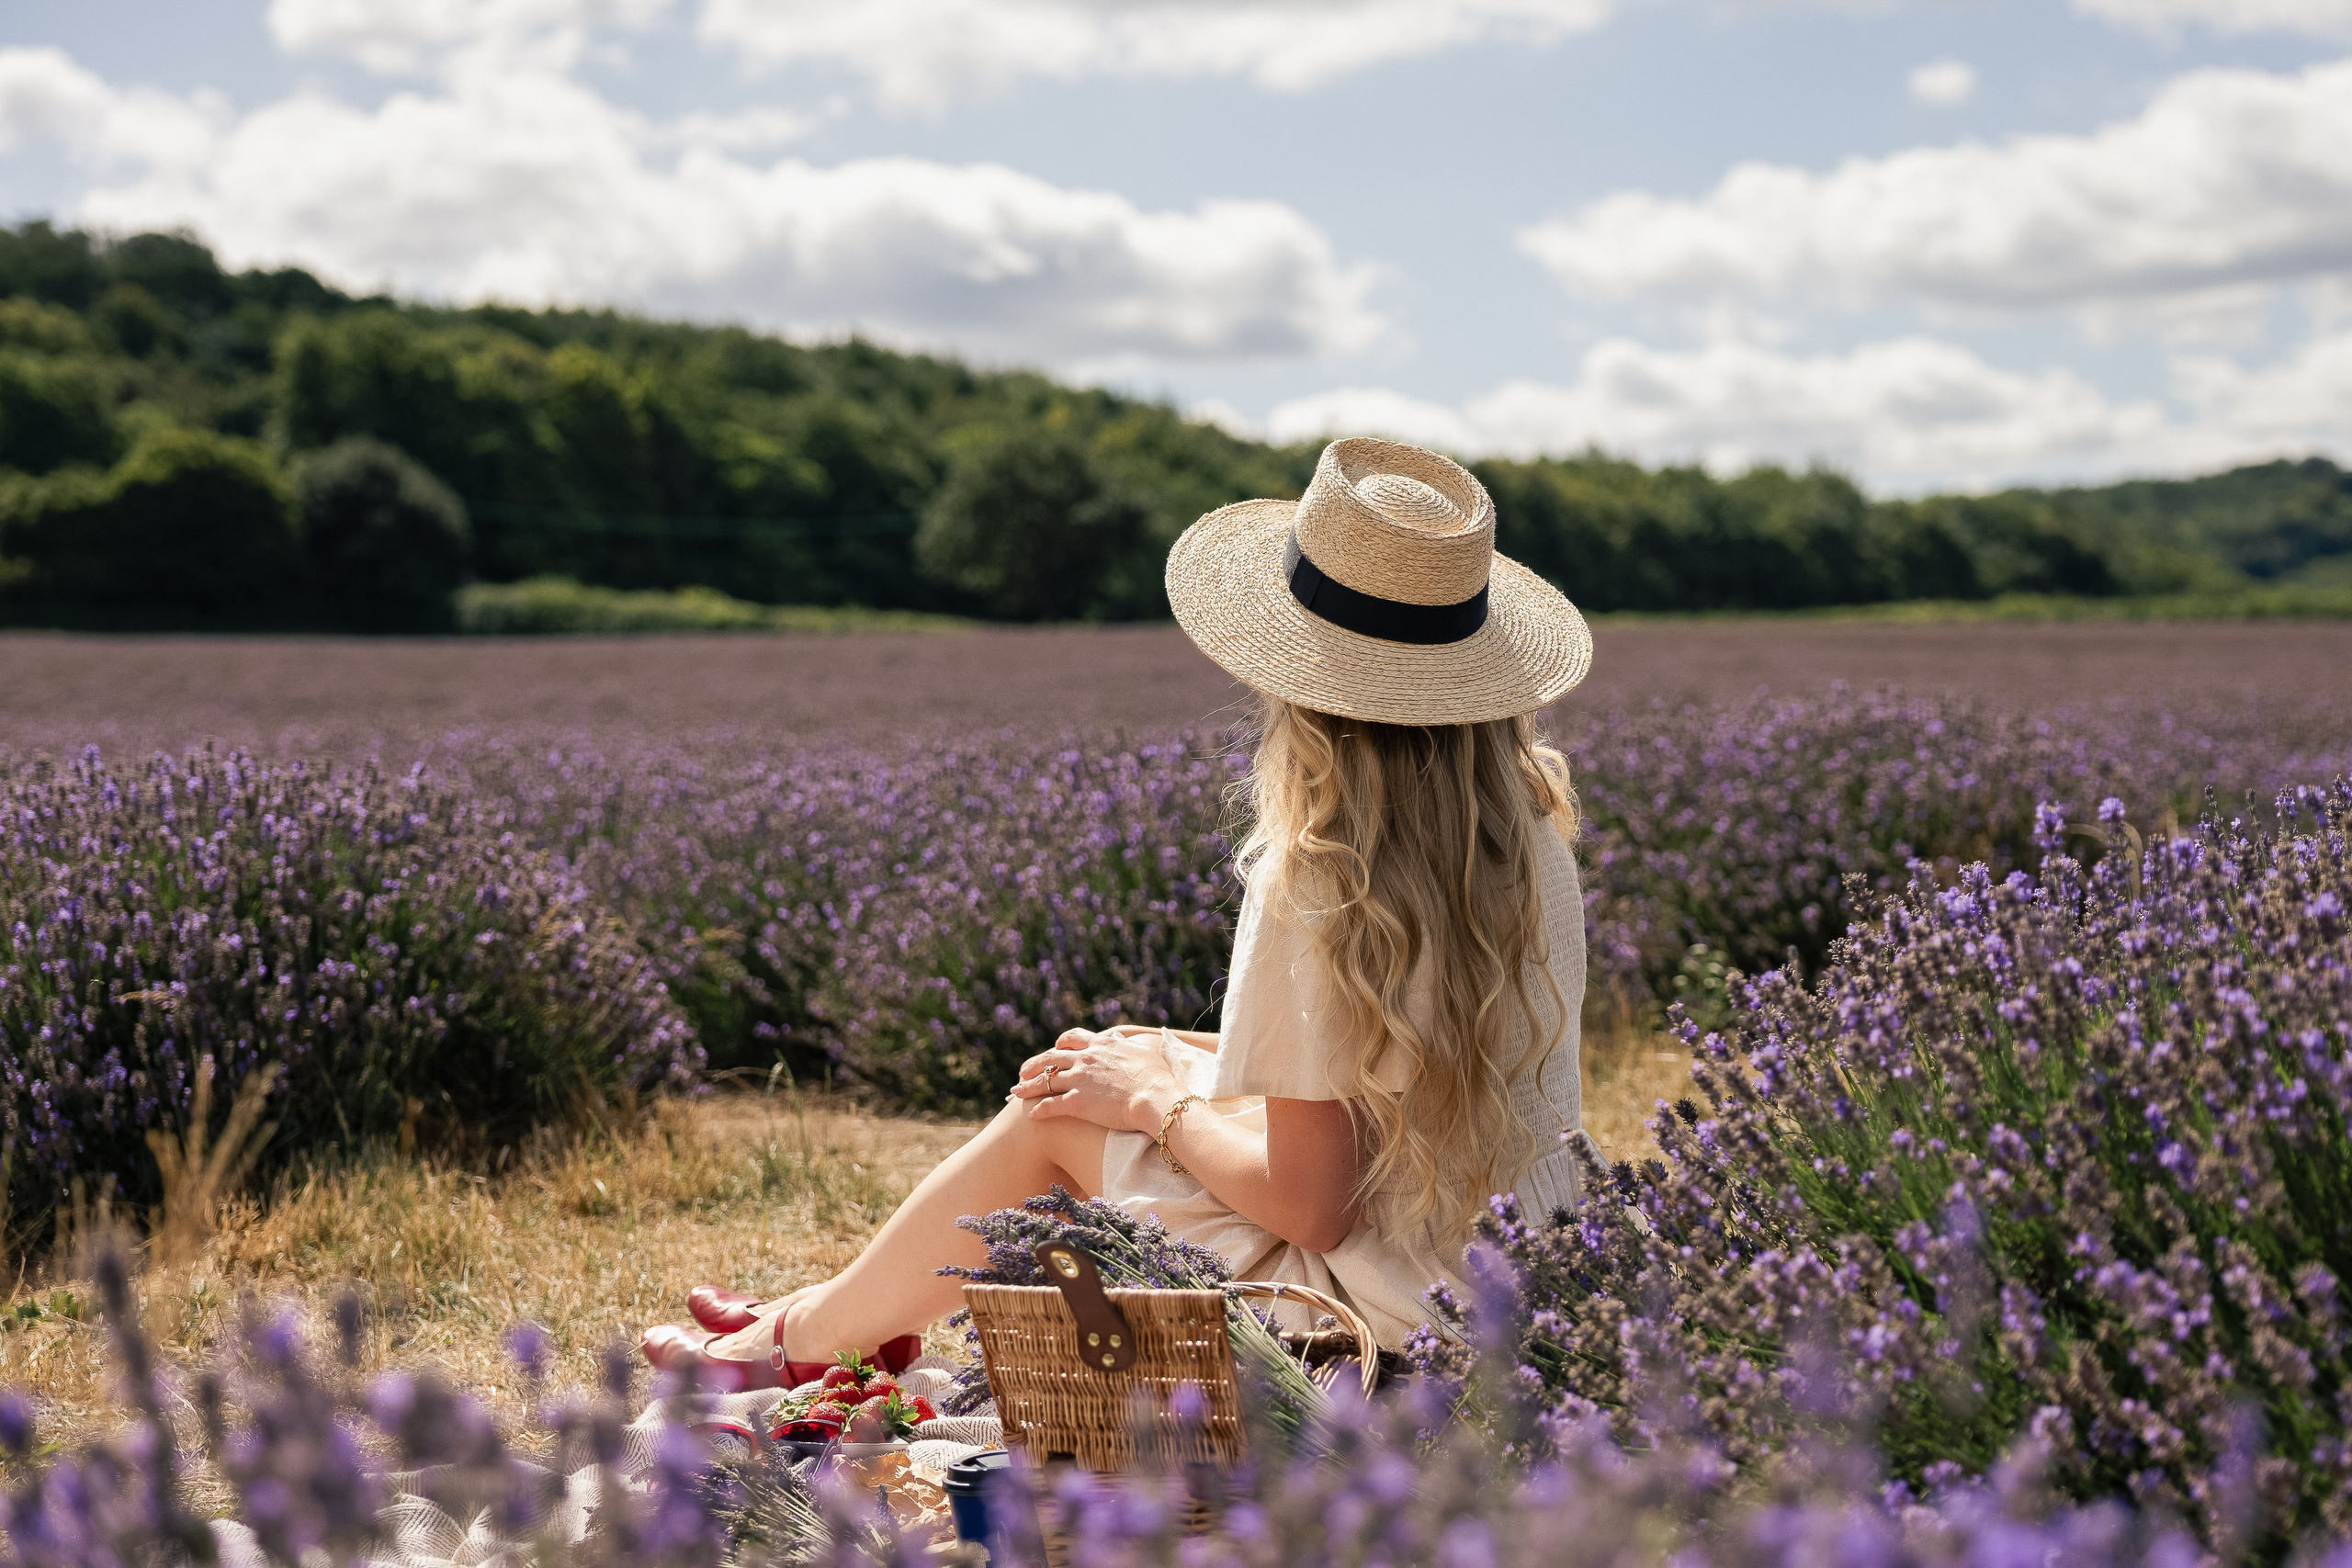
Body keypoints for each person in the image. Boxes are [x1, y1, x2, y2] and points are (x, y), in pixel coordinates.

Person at [640, 436, 1594, 1391]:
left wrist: (1156, 1100)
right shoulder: (1528, 833)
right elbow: (1387, 1089)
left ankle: (799, 1340)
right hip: (1524, 1274)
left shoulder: (1323, 871)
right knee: (1119, 1057)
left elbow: (1312, 1208)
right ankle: (840, 1312)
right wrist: (1169, 1060)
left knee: (1059, 1116)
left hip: (1383, 1309)